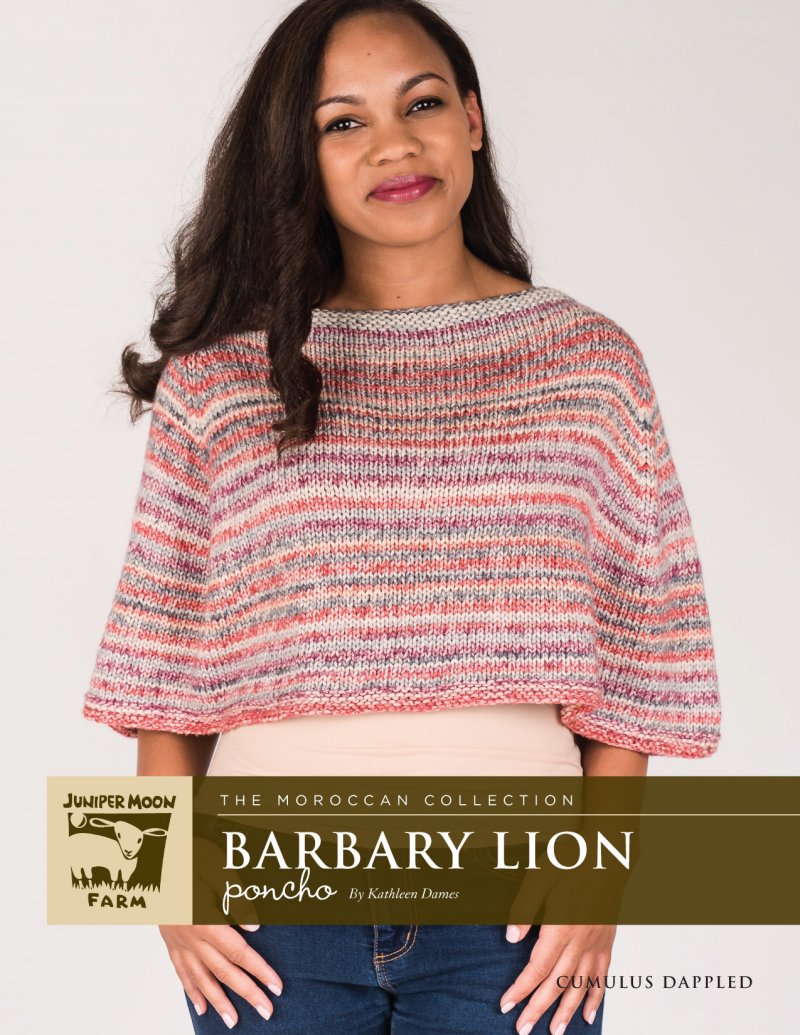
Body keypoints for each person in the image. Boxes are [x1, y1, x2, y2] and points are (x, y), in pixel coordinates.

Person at [81, 1, 722, 1032]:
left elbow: (644, 654)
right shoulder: (221, 380)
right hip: (267, 913)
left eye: (420, 103)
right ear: (298, 160)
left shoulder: (589, 364)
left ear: (471, 118)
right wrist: (156, 891)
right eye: (343, 122)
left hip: (514, 913)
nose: (393, 144)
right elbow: (156, 658)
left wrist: (602, 885)